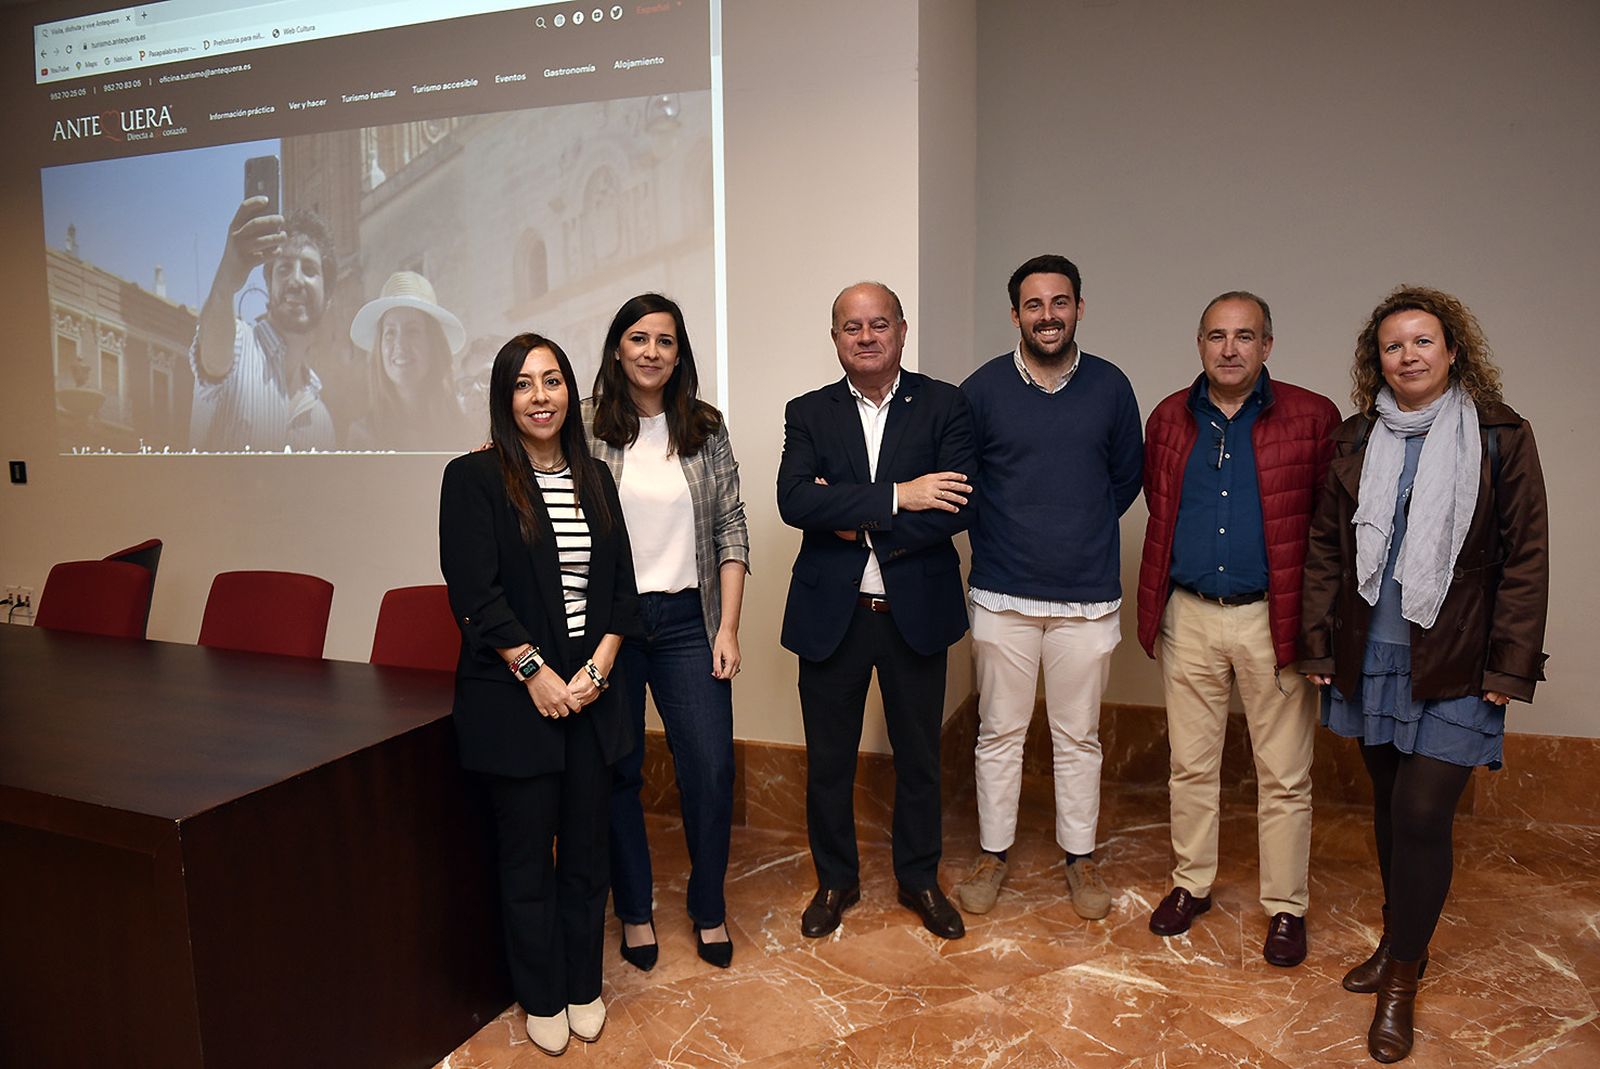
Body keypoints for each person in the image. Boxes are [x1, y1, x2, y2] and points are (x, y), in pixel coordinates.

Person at [1299, 286, 1548, 1063]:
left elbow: (1526, 559)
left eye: (1422, 342)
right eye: (1392, 346)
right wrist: (1316, 647)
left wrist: (1509, 664)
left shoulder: (1501, 435)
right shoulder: (1354, 438)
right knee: (1386, 804)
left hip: (1459, 658)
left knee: (1421, 814)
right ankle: (1399, 935)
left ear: (1452, 351)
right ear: (1378, 361)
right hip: (1370, 652)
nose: (1407, 356)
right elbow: (1327, 551)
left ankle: (1403, 977)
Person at [438, 333, 640, 1058]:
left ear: (570, 391)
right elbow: (476, 594)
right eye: (523, 384)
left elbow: (621, 588)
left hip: (591, 698)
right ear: (505, 398)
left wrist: (598, 669)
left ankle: (583, 982)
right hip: (514, 703)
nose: (541, 396)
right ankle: (542, 991)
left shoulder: (596, 478)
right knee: (527, 859)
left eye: (552, 381)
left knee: (587, 856)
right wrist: (537, 672)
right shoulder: (474, 479)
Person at [1135, 292, 1339, 965]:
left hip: (1270, 617)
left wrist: (1317, 629)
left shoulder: (1312, 418)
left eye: (1244, 336)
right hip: (1189, 613)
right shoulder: (1169, 418)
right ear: (1199, 344)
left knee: (1283, 774)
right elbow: (1157, 513)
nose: (1229, 348)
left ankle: (1286, 907)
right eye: (1217, 336)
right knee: (1190, 764)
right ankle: (1191, 884)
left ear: (1267, 346)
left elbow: (1331, 532)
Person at [777, 281, 975, 942]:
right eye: (851, 326)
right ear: (835, 337)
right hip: (832, 615)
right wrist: (900, 496)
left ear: (901, 329)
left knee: (919, 757)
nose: (866, 336)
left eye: (878, 323)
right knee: (829, 760)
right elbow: (797, 501)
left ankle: (919, 877)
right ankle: (836, 879)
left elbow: (958, 505)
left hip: (914, 611)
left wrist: (854, 513)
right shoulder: (808, 411)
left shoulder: (945, 405)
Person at [952, 254, 1142, 922]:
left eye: (1060, 302)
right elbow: (965, 486)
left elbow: (1124, 481)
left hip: (1087, 597)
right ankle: (992, 855)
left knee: (1079, 735)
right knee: (999, 732)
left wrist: (1074, 528)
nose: (1048, 315)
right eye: (1034, 305)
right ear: (1016, 316)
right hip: (1003, 593)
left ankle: (1080, 857)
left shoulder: (1112, 388)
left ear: (1079, 308)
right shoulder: (980, 391)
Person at [584, 293, 749, 971]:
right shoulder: (587, 428)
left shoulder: (705, 428)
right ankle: (635, 910)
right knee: (619, 770)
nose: (652, 351)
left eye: (666, 340)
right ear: (617, 348)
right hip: (612, 629)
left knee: (709, 770)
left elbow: (731, 526)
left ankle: (708, 907)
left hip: (688, 620)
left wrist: (729, 627)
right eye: (638, 337)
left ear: (680, 354)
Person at [190, 198, 337, 451]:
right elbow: (212, 361)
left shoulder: (321, 421)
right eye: (284, 269)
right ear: (269, 287)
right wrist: (226, 281)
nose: (296, 280)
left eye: (310, 270)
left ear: (328, 298)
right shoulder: (238, 344)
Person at [347, 270, 473, 451]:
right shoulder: (362, 435)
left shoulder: (463, 429)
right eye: (390, 333)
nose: (400, 345)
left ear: (433, 345)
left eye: (412, 331)